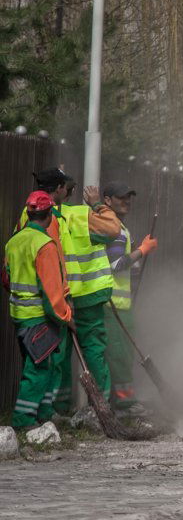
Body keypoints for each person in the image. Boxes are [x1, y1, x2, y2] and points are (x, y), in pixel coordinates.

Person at [20, 168, 122, 413]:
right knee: (94, 351)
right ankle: (102, 408)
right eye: (69, 187)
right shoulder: (80, 214)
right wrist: (97, 203)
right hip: (86, 295)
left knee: (57, 353)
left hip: (51, 299)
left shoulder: (28, 215)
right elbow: (112, 229)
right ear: (60, 190)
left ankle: (58, 408)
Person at [3, 192, 73, 429]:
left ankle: (43, 413)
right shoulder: (44, 244)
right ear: (49, 215)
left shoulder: (14, 240)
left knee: (40, 365)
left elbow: (6, 278)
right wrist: (66, 316)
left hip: (19, 315)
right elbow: (51, 291)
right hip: (38, 318)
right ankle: (23, 420)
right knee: (38, 369)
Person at [101, 182, 158, 414]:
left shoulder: (120, 228)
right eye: (121, 197)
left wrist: (136, 254)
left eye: (129, 197)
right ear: (107, 201)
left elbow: (125, 266)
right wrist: (142, 251)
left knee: (122, 354)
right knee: (119, 356)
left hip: (120, 306)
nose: (127, 201)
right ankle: (124, 405)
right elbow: (116, 265)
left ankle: (120, 402)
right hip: (113, 307)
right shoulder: (114, 230)